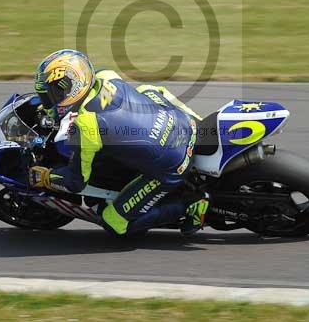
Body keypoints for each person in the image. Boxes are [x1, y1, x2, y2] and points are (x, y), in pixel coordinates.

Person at [28, 49, 209, 236]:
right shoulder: (105, 75)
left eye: (50, 95)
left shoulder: (85, 125)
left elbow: (76, 183)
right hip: (182, 121)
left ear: (70, 90)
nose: (47, 102)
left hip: (174, 162)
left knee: (114, 223)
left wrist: (45, 178)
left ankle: (190, 205)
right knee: (147, 90)